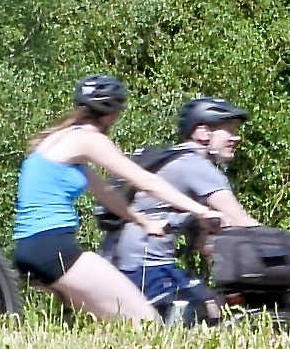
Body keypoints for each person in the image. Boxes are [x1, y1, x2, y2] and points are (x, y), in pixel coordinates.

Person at [12, 74, 225, 324]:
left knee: (103, 324)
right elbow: (146, 181)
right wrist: (201, 211)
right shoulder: (88, 139)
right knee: (147, 323)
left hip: (29, 248)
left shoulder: (56, 140)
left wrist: (144, 221)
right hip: (55, 248)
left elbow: (106, 193)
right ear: (111, 113)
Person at [108, 95, 266, 319]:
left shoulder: (177, 159)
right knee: (199, 313)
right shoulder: (195, 165)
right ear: (203, 133)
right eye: (228, 130)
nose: (236, 137)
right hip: (147, 265)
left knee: (213, 305)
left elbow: (205, 245)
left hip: (128, 259)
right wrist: (284, 261)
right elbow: (242, 221)